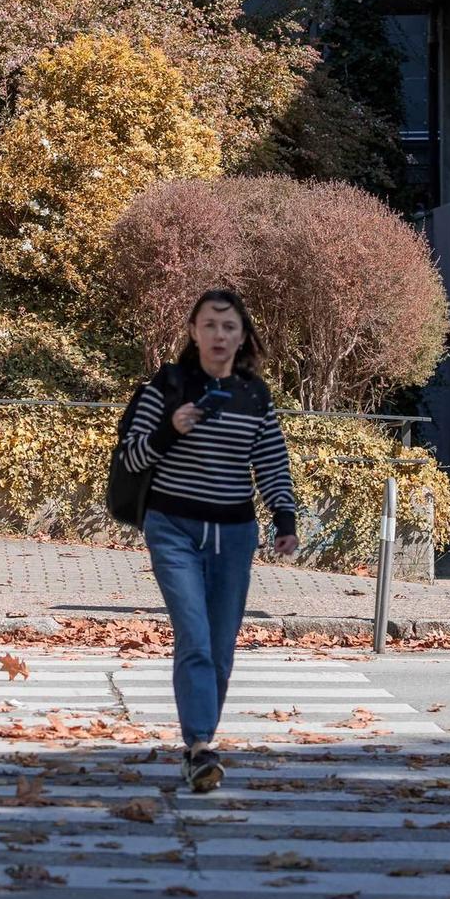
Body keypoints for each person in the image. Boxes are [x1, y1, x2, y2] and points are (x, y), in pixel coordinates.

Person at [115, 288, 300, 794]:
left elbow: (272, 462)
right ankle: (199, 746)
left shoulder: (255, 397)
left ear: (242, 338)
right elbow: (130, 458)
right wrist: (168, 431)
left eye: (229, 327)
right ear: (193, 331)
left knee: (220, 647)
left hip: (235, 533)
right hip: (172, 528)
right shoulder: (166, 387)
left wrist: (285, 518)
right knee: (194, 636)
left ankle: (201, 739)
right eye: (210, 325)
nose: (219, 335)